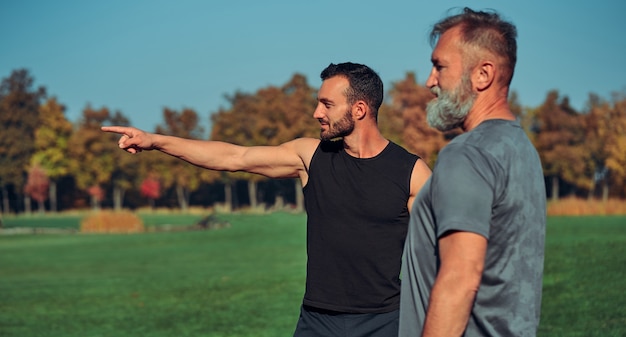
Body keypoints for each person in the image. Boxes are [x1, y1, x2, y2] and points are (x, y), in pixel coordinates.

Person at [102, 62, 432, 337]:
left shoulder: (412, 173)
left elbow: (438, 259)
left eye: (327, 104)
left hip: (384, 323)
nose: (317, 112)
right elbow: (234, 157)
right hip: (317, 321)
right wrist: (156, 141)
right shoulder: (310, 156)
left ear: (359, 109)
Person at [399, 8, 546, 337]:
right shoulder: (521, 149)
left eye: (440, 66)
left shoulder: (467, 153)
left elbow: (459, 282)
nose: (429, 81)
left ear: (483, 75)